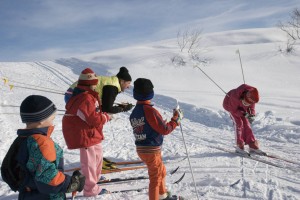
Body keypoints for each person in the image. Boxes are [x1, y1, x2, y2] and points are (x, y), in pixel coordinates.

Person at [2, 95, 85, 199]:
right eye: (52, 118)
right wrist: (72, 183)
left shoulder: (23, 138)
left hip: (28, 194)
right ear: (41, 120)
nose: (53, 122)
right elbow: (47, 175)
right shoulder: (41, 142)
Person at [129, 78, 183, 200]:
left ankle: (162, 195)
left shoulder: (135, 112)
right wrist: (175, 120)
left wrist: (158, 126)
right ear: (150, 93)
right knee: (155, 177)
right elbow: (165, 130)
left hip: (142, 148)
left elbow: (145, 127)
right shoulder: (150, 110)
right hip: (151, 149)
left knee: (161, 171)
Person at [62, 68, 111, 197]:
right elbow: (92, 118)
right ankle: (90, 189)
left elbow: (92, 115)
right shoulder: (84, 98)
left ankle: (95, 177)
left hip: (91, 133)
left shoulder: (88, 96)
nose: (96, 85)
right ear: (90, 84)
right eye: (95, 83)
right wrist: (105, 117)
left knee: (98, 156)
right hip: (84, 134)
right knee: (89, 162)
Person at [64, 66, 133, 113]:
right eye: (128, 83)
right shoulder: (112, 86)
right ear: (122, 81)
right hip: (74, 95)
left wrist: (120, 107)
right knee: (90, 117)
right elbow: (107, 109)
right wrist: (123, 109)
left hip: (72, 93)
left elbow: (105, 105)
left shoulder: (112, 82)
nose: (128, 86)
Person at [223, 84, 265, 155]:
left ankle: (252, 145)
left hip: (241, 108)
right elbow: (233, 110)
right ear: (245, 96)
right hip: (230, 107)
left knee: (247, 124)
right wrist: (244, 114)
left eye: (249, 103)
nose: (248, 104)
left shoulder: (253, 97)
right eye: (246, 102)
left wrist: (251, 114)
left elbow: (251, 108)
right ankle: (239, 145)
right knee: (239, 123)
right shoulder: (235, 96)